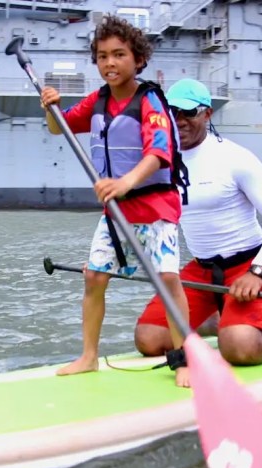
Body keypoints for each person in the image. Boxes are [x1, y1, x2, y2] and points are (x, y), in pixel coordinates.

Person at [135, 78, 262, 385]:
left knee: (240, 349)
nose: (179, 120)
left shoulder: (235, 158)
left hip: (249, 265)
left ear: (207, 114)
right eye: (172, 112)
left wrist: (257, 272)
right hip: (202, 270)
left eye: (188, 113)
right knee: (149, 339)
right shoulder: (160, 161)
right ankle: (225, 318)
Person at [40, 15, 191, 385]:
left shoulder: (150, 100)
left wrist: (125, 182)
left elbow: (159, 154)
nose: (110, 63)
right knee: (93, 277)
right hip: (118, 210)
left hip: (155, 207)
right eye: (103, 56)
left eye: (119, 54)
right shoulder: (98, 100)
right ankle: (89, 356)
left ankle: (185, 360)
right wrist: (51, 107)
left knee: (168, 280)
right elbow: (59, 126)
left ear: (138, 59)